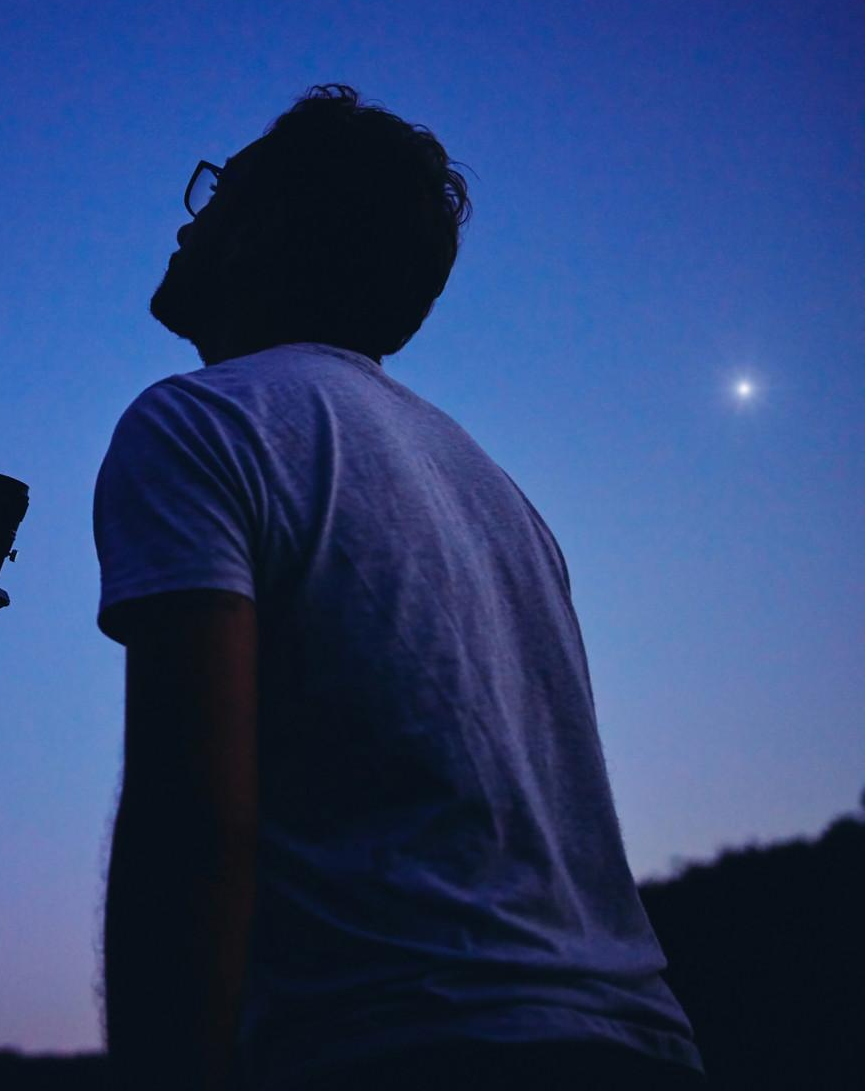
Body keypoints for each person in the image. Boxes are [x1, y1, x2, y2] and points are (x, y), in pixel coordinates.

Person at [93, 85, 706, 1090]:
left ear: (267, 232)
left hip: (411, 1043)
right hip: (638, 1042)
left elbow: (190, 816)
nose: (188, 218)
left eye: (219, 194)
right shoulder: (500, 495)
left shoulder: (200, 426)